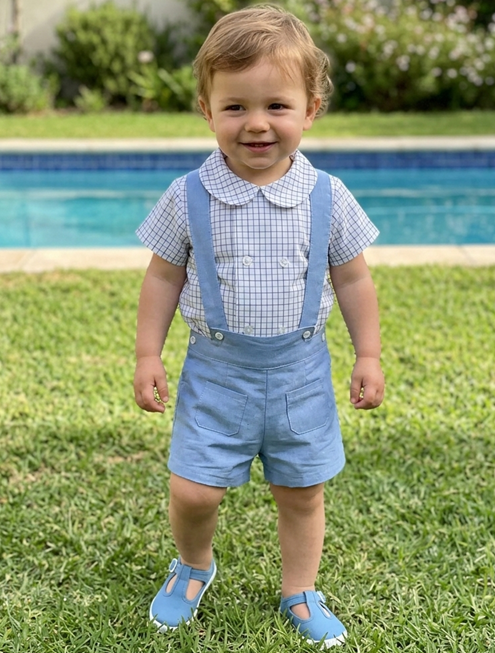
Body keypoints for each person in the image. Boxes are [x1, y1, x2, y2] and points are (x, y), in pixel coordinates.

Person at [133, 4, 384, 647]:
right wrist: (147, 355)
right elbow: (162, 278)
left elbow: (354, 280)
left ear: (311, 109)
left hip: (301, 373)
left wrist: (368, 355)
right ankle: (193, 566)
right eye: (235, 106)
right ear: (206, 109)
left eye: (277, 105)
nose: (256, 123)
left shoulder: (328, 196)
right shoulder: (189, 194)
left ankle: (300, 589)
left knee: (301, 490)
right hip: (216, 373)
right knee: (193, 489)